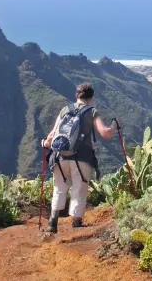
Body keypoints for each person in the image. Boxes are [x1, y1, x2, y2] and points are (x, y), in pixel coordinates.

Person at [41, 82, 117, 232]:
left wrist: (45, 143)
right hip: (82, 158)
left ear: (77, 95)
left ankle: (52, 222)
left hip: (60, 156)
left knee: (59, 188)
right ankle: (76, 224)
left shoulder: (65, 110)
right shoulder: (92, 111)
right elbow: (105, 133)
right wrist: (114, 126)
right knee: (79, 189)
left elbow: (52, 134)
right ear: (91, 97)